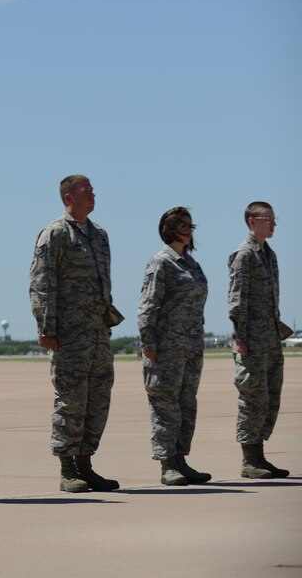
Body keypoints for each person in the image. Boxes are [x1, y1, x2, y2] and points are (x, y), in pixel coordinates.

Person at [29, 175, 123, 493]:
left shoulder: (100, 235)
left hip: (98, 333)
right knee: (71, 400)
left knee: (98, 399)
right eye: (87, 192)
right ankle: (67, 469)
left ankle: (86, 463)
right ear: (69, 198)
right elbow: (41, 282)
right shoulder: (54, 234)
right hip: (69, 334)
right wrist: (46, 328)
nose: (93, 196)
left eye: (93, 191)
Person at [136, 207, 212, 486]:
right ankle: (167, 464)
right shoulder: (161, 263)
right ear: (169, 229)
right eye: (183, 225)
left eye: (191, 225)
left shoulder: (191, 263)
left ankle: (181, 459)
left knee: (186, 404)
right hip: (166, 347)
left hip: (191, 346)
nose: (189, 229)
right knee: (165, 405)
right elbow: (147, 307)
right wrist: (149, 344)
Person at [228, 201, 292, 479]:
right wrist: (240, 337)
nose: (273, 223)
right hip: (251, 340)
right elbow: (236, 300)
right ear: (252, 221)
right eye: (268, 219)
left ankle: (259, 455)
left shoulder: (269, 254)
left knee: (269, 398)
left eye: (274, 219)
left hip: (269, 339)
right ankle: (249, 460)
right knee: (252, 398)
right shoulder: (244, 255)